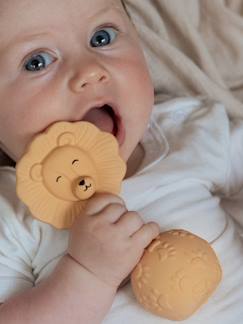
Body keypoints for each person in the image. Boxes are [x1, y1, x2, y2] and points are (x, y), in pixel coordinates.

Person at [0, 1, 243, 324]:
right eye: (37, 62)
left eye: (102, 37)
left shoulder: (190, 132)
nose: (88, 70)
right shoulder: (12, 213)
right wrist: (87, 273)